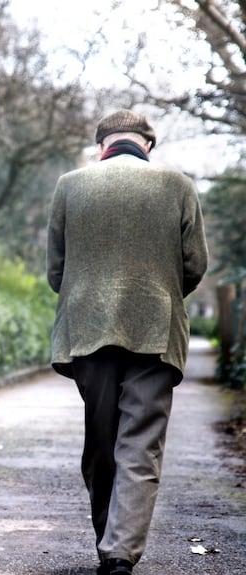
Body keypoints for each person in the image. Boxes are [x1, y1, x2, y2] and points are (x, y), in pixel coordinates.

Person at [45, 109, 209, 575]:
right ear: (148, 146)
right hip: (155, 331)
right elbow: (194, 265)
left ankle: (108, 540)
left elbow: (55, 270)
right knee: (140, 443)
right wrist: (158, 294)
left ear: (102, 146)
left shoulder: (70, 185)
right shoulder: (178, 186)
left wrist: (86, 294)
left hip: (88, 329)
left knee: (101, 441)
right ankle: (119, 553)